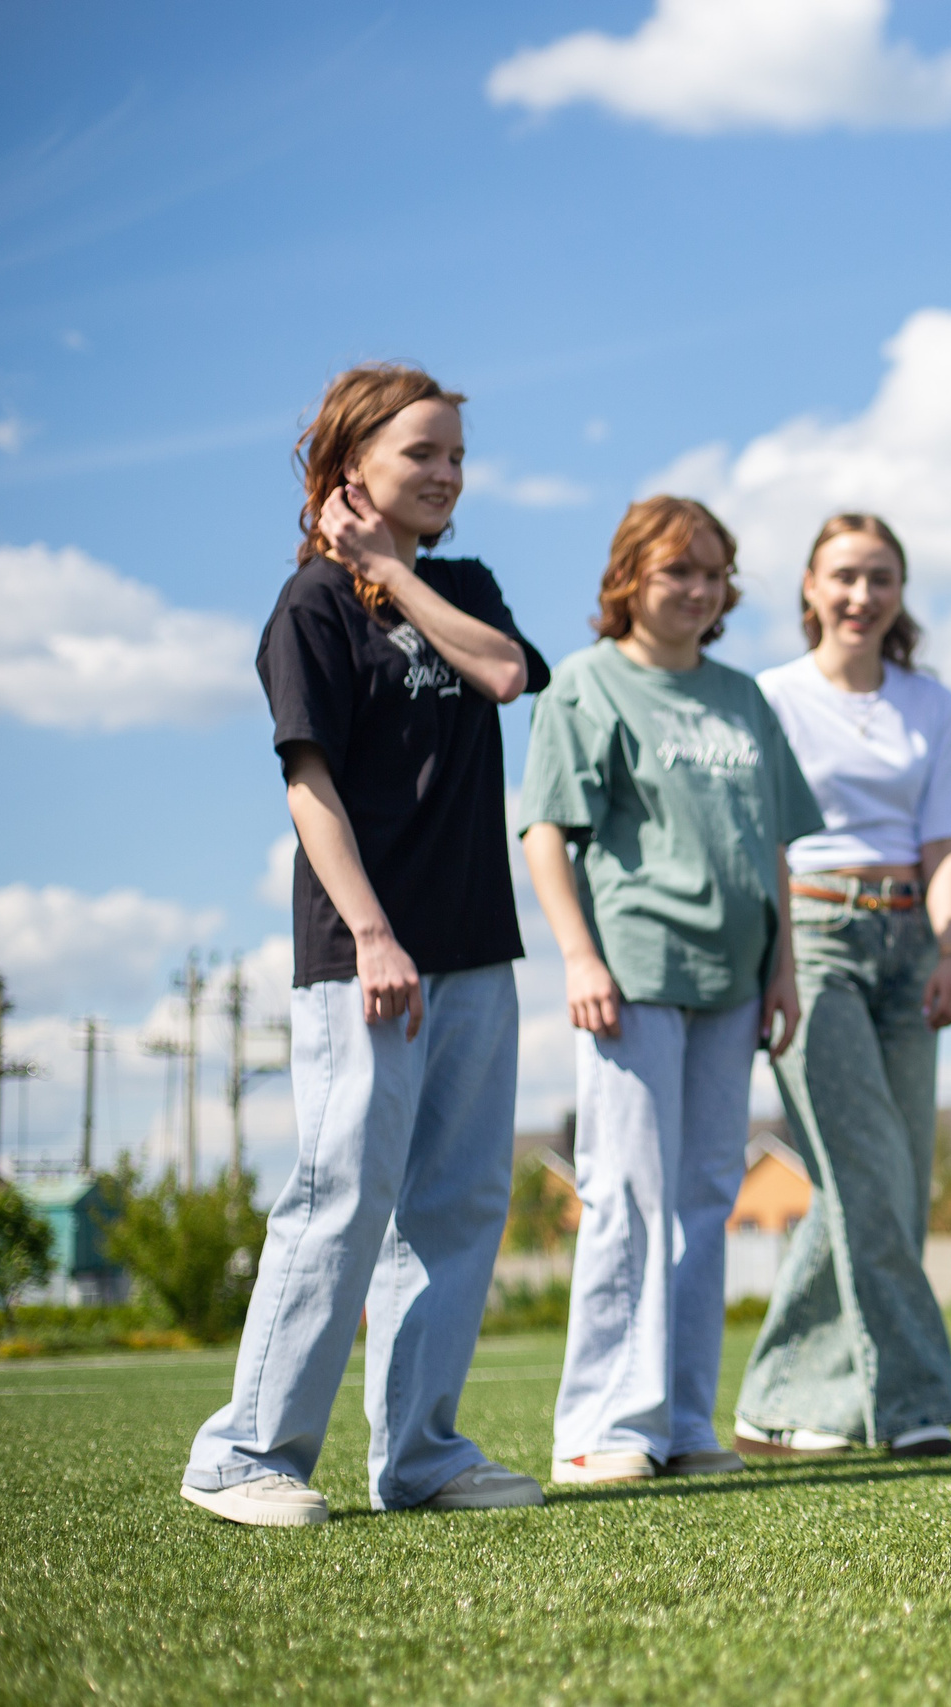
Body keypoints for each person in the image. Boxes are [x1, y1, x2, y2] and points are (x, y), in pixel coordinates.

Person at [183, 363, 550, 1526]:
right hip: (367, 956)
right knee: (340, 1194)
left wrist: (395, 570)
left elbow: (504, 673)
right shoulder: (309, 607)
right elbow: (309, 783)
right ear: (350, 469)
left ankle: (421, 1458)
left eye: (456, 456)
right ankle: (243, 1453)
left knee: (459, 1202)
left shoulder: (463, 586)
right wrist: (373, 932)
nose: (446, 473)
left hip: (475, 945)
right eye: (420, 454)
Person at [519, 496, 824, 1486]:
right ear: (627, 579)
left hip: (734, 983)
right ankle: (604, 1427)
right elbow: (546, 833)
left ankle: (686, 1424)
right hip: (632, 974)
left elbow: (773, 846)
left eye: (712, 574)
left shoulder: (743, 698)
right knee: (627, 1193)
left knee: (704, 1198)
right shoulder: (586, 685)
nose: (697, 589)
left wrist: (782, 969)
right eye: (676, 571)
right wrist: (579, 957)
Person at [730, 514, 951, 1460]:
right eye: (844, 576)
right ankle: (912, 1404)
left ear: (899, 591)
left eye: (880, 577)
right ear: (809, 587)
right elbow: (765, 839)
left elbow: (944, 840)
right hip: (812, 934)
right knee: (865, 1169)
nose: (861, 595)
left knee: (890, 1182)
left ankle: (776, 1401)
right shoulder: (771, 695)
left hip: (912, 941)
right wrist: (777, 961)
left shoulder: (931, 702)